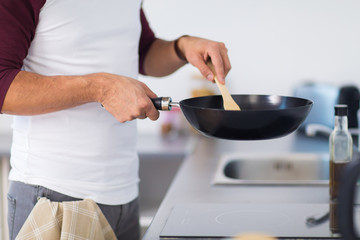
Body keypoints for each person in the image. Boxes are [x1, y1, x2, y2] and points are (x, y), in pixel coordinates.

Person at [0, 0, 231, 239]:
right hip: (55, 196)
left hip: (124, 195)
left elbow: (141, 51)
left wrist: (182, 46)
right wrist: (100, 88)